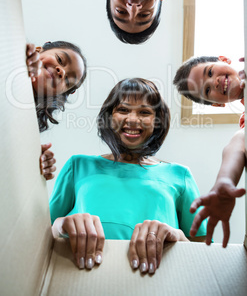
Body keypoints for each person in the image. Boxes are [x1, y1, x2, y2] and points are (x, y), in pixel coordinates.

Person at [49, 78, 207, 274]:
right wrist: (58, 225)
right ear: (108, 117)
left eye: (144, 112)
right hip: (77, 277)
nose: (132, 119)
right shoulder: (78, 165)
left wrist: (177, 235)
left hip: (158, 282)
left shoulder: (180, 175)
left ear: (157, 122)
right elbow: (39, 235)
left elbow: (205, 254)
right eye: (123, 110)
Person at [173, 56, 246, 247]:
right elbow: (238, 143)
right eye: (207, 90)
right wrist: (224, 181)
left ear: (224, 59)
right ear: (217, 104)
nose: (214, 82)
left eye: (210, 72)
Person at [26, 41, 87, 180]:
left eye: (67, 81)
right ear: (38, 49)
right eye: (59, 59)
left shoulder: (29, 126)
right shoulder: (12, 52)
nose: (62, 71)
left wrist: (33, 157)